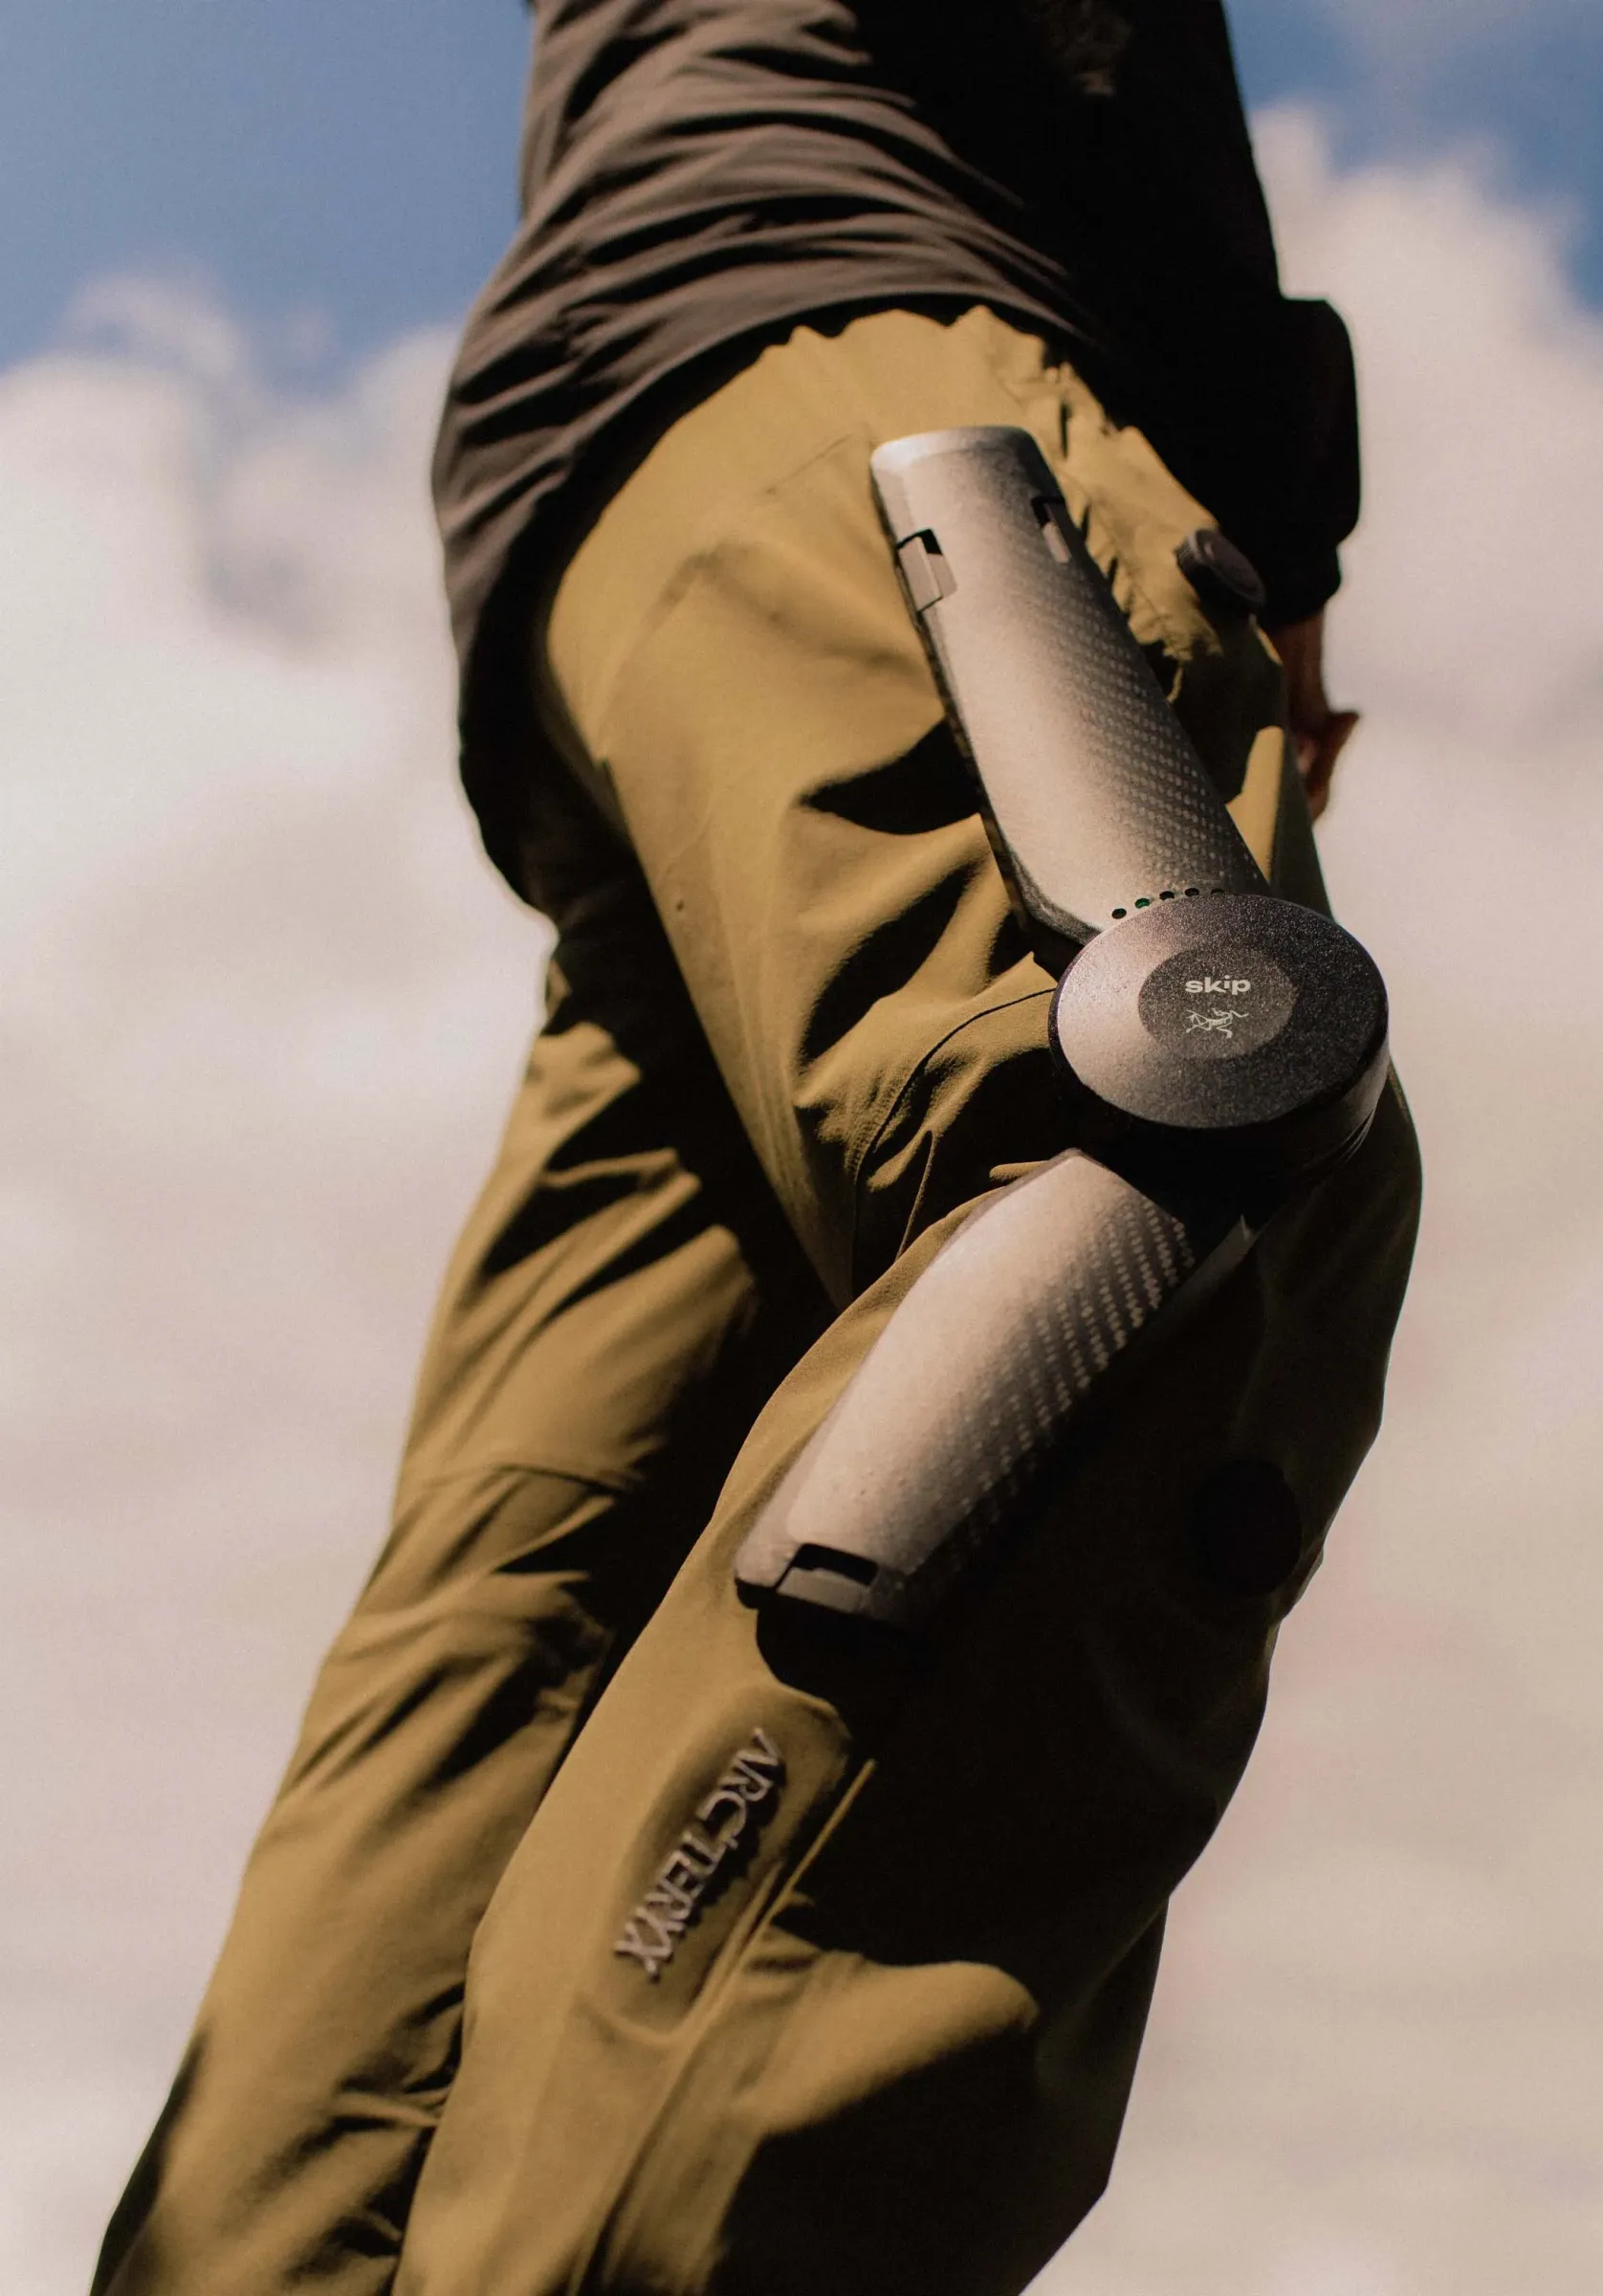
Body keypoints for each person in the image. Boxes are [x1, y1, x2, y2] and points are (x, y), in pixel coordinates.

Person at [93, 5, 1419, 2290]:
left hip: (644, 463)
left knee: (548, 1605)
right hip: (853, 342)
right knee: (1159, 1130)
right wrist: (1279, 514)